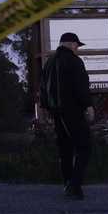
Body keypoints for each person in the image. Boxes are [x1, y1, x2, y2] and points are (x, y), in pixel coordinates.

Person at [40, 32, 94, 200]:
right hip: (72, 111)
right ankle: (75, 185)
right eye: (77, 45)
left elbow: (42, 88)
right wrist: (88, 105)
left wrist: (46, 108)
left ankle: (68, 183)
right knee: (84, 147)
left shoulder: (49, 62)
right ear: (70, 44)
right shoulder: (73, 61)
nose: (77, 48)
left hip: (56, 112)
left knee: (65, 149)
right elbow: (81, 85)